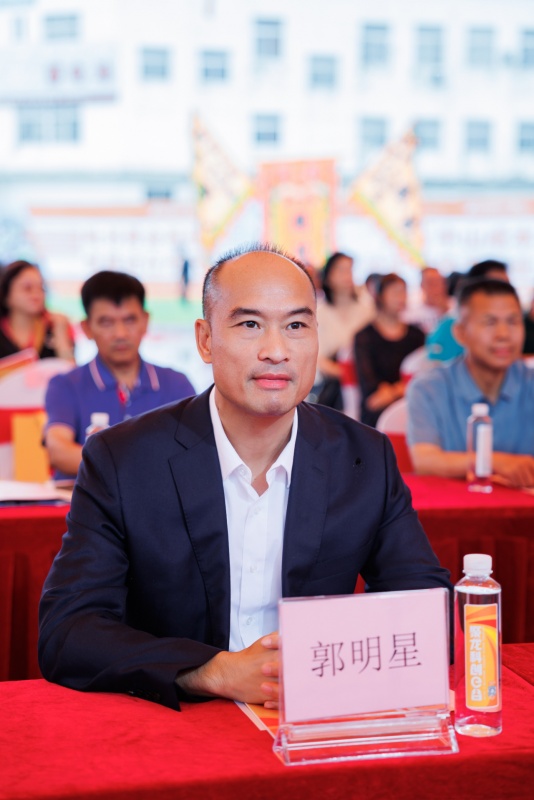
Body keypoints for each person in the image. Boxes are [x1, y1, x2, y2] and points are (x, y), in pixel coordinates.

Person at [38, 244, 451, 712]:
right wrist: (212, 672)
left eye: (296, 326)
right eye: (250, 324)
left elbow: (430, 610)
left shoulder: (364, 457)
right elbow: (68, 631)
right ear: (205, 340)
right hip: (178, 721)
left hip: (314, 719)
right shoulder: (123, 459)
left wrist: (324, 663)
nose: (276, 351)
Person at [44, 270, 195, 478]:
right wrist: (133, 469)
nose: (120, 334)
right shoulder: (65, 384)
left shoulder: (176, 385)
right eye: (106, 322)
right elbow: (58, 451)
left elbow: (193, 451)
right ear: (87, 328)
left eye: (130, 320)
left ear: (145, 321)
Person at [407, 279, 534, 489]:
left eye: (513, 322)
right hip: (455, 507)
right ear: (461, 333)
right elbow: (425, 461)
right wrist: (496, 462)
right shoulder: (429, 388)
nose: (504, 335)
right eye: (490, 322)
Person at [354, 273, 425, 427]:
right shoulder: (364, 337)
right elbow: (373, 398)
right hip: (376, 416)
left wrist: (392, 391)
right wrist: (403, 387)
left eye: (403, 292)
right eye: (394, 292)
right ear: (380, 296)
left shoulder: (417, 334)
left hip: (414, 408)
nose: (401, 298)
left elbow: (423, 379)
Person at [314, 252, 375, 413]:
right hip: (336, 387)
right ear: (328, 276)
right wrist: (346, 374)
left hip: (367, 385)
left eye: (350, 270)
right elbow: (318, 358)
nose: (347, 276)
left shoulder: (367, 310)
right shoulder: (320, 313)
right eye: (341, 270)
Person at [426, 260, 510, 363]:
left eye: (508, 287)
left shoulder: (511, 325)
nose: (506, 294)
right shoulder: (448, 328)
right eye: (497, 288)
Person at [0, 260, 74, 361]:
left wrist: (61, 335)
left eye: (41, 288)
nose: (36, 294)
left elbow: (71, 369)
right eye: (27, 288)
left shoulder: (55, 326)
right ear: (6, 295)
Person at [403, 266, 451, 335]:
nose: (435, 287)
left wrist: (446, 311)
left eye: (438, 282)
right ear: (422, 285)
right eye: (430, 283)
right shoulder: (410, 314)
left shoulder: (457, 308)